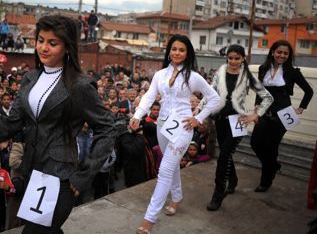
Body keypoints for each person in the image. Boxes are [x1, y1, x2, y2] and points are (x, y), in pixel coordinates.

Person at [0, 15, 117, 233]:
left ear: (68, 47)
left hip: (61, 177)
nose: (43, 47)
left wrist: (84, 176)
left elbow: (107, 127)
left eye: (52, 43)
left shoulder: (79, 86)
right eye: (40, 40)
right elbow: (10, 123)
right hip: (32, 172)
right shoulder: (30, 78)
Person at [130, 34, 220, 234]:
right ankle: (177, 197)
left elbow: (214, 98)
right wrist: (137, 115)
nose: (177, 53)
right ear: (169, 51)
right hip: (163, 126)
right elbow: (149, 96)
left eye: (181, 50)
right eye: (174, 49)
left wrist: (199, 117)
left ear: (187, 54)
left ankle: (149, 218)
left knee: (164, 170)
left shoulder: (194, 77)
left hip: (183, 128)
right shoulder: (160, 74)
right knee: (172, 167)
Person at [197, 44, 273, 211]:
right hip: (220, 120)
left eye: (237, 58)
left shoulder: (248, 76)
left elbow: (268, 97)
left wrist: (256, 114)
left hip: (238, 121)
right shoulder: (220, 73)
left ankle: (218, 194)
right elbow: (210, 94)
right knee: (226, 153)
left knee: (223, 156)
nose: (233, 61)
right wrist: (199, 110)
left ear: (243, 58)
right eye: (230, 58)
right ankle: (233, 179)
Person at [251, 40, 313, 192]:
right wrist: (257, 104)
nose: (282, 55)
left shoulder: (293, 72)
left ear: (288, 55)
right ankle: (273, 166)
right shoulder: (263, 68)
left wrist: (301, 108)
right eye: (279, 52)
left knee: (272, 146)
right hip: (265, 110)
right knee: (255, 142)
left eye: (286, 53)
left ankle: (265, 180)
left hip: (283, 112)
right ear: (273, 52)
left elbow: (309, 91)